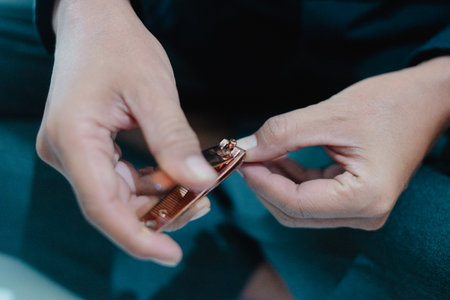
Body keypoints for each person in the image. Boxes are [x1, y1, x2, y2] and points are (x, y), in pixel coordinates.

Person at [26, 0, 450, 298]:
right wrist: (87, 13)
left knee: (432, 245)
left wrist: (434, 89)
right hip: (165, 35)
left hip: (388, 91)